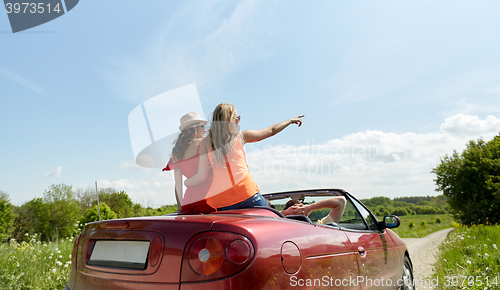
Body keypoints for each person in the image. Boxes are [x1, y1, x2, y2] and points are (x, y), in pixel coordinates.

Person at [185, 103, 304, 211]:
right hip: (248, 194)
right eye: (237, 118)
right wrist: (290, 120)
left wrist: (187, 182)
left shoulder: (205, 143)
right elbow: (271, 130)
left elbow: (201, 176)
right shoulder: (241, 136)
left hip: (222, 201)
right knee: (271, 225)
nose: (238, 121)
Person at [162, 112, 214, 213]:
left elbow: (178, 183)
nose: (205, 129)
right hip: (208, 198)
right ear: (195, 128)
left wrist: (180, 208)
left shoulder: (177, 153)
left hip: (188, 202)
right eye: (202, 126)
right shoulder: (204, 144)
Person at [281, 196, 346, 224]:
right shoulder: (319, 228)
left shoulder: (278, 232)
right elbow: (341, 201)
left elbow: (341, 201)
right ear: (306, 214)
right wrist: (309, 208)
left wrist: (284, 213)